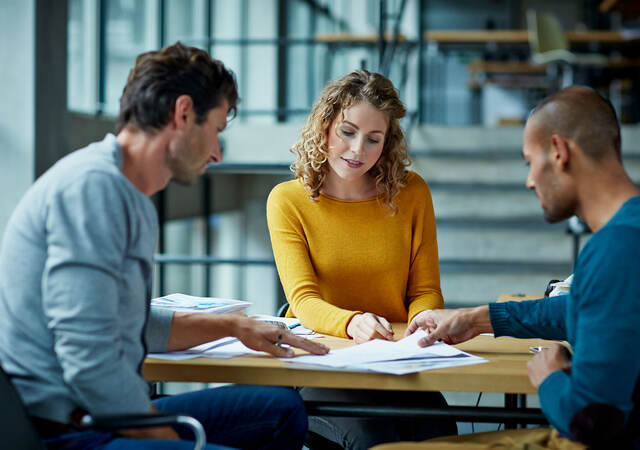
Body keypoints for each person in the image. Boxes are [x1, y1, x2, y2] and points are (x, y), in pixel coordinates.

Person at [0, 42, 328, 450]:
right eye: (216, 132)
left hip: (101, 413)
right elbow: (88, 359)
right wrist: (168, 437)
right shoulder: (92, 188)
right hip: (68, 430)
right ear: (184, 113)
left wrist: (234, 326)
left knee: (281, 409)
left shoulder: (127, 193)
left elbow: (127, 320)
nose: (217, 154)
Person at [385, 86, 640, 450]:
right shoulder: (630, 229)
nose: (530, 180)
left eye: (529, 162)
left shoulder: (616, 248)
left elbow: (593, 422)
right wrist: (476, 318)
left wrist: (550, 378)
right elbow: (586, 308)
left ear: (558, 152)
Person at [266, 70, 456, 450]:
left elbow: (426, 289)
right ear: (324, 127)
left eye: (374, 139)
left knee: (440, 435)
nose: (357, 151)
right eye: (347, 132)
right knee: (373, 439)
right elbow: (303, 300)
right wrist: (352, 322)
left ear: (387, 143)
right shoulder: (288, 201)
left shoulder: (412, 192)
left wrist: (423, 318)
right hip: (321, 362)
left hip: (395, 358)